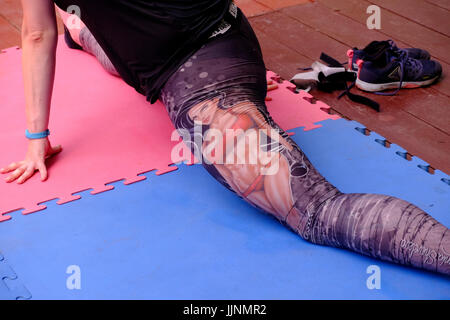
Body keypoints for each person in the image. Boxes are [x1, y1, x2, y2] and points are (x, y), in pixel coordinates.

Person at [2, 0, 449, 275]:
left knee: (317, 212)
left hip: (206, 75)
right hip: (208, 41)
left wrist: (234, 96)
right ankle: (82, 31)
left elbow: (39, 31)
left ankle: (85, 29)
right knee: (112, 46)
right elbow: (40, 31)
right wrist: (35, 135)